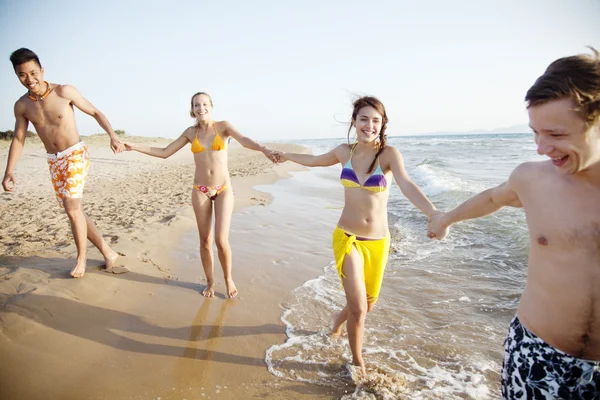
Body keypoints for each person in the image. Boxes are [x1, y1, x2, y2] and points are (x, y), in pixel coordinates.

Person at [428, 48, 600, 398]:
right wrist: (446, 218)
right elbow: (493, 198)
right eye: (535, 133)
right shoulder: (532, 180)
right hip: (535, 354)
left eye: (555, 134)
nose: (541, 148)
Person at [273, 96, 439, 375]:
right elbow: (314, 160)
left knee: (366, 304)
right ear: (354, 121)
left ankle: (337, 325)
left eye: (376, 120)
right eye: (364, 119)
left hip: (378, 243)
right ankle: (357, 362)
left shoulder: (389, 155)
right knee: (359, 310)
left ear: (382, 124)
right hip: (347, 238)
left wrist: (432, 212)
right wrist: (286, 155)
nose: (369, 125)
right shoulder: (343, 152)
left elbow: (407, 184)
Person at [124, 92, 275, 299]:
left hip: (223, 189)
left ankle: (228, 278)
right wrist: (134, 147)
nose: (200, 108)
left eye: (204, 104)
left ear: (211, 106)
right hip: (200, 190)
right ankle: (210, 282)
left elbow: (245, 140)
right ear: (192, 109)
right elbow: (165, 152)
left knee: (221, 240)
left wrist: (264, 149)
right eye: (196, 105)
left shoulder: (223, 127)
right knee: (204, 241)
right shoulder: (190, 132)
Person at [2, 48, 125, 278]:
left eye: (33, 72)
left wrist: (113, 135)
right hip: (54, 161)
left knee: (71, 208)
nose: (30, 79)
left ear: (42, 70)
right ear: (17, 76)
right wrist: (8, 171)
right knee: (74, 210)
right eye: (22, 75)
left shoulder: (63, 91)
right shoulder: (22, 106)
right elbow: (18, 139)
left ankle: (81, 259)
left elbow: (95, 112)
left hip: (75, 154)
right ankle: (108, 253)